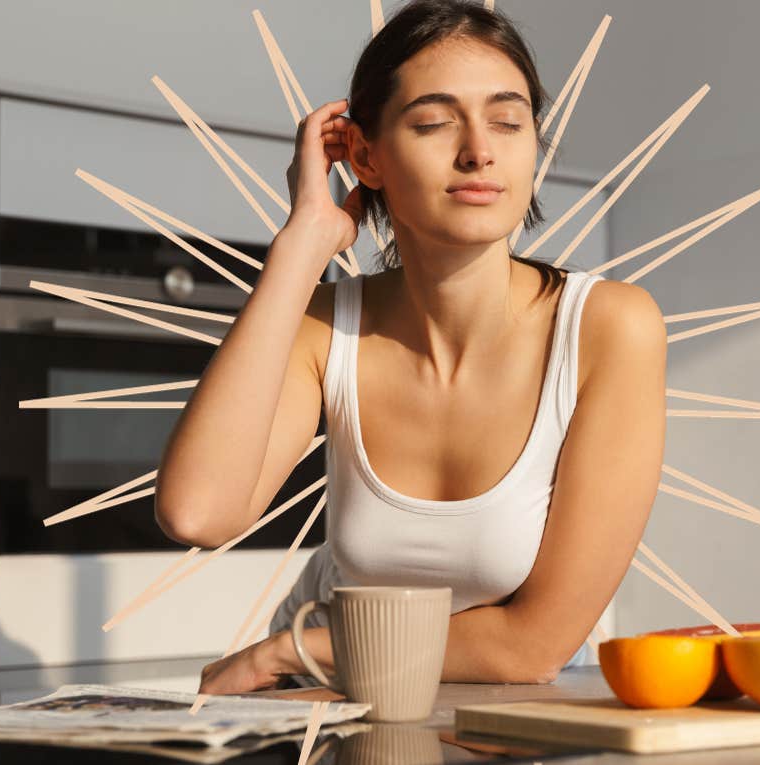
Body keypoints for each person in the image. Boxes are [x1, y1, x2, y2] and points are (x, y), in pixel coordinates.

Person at [154, 0, 666, 694]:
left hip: (512, 731)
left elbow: (533, 645)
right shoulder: (326, 326)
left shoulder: (610, 328)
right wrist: (301, 245)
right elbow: (198, 512)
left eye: (509, 122)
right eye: (433, 122)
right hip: (337, 721)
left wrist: (292, 650)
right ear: (365, 156)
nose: (479, 150)